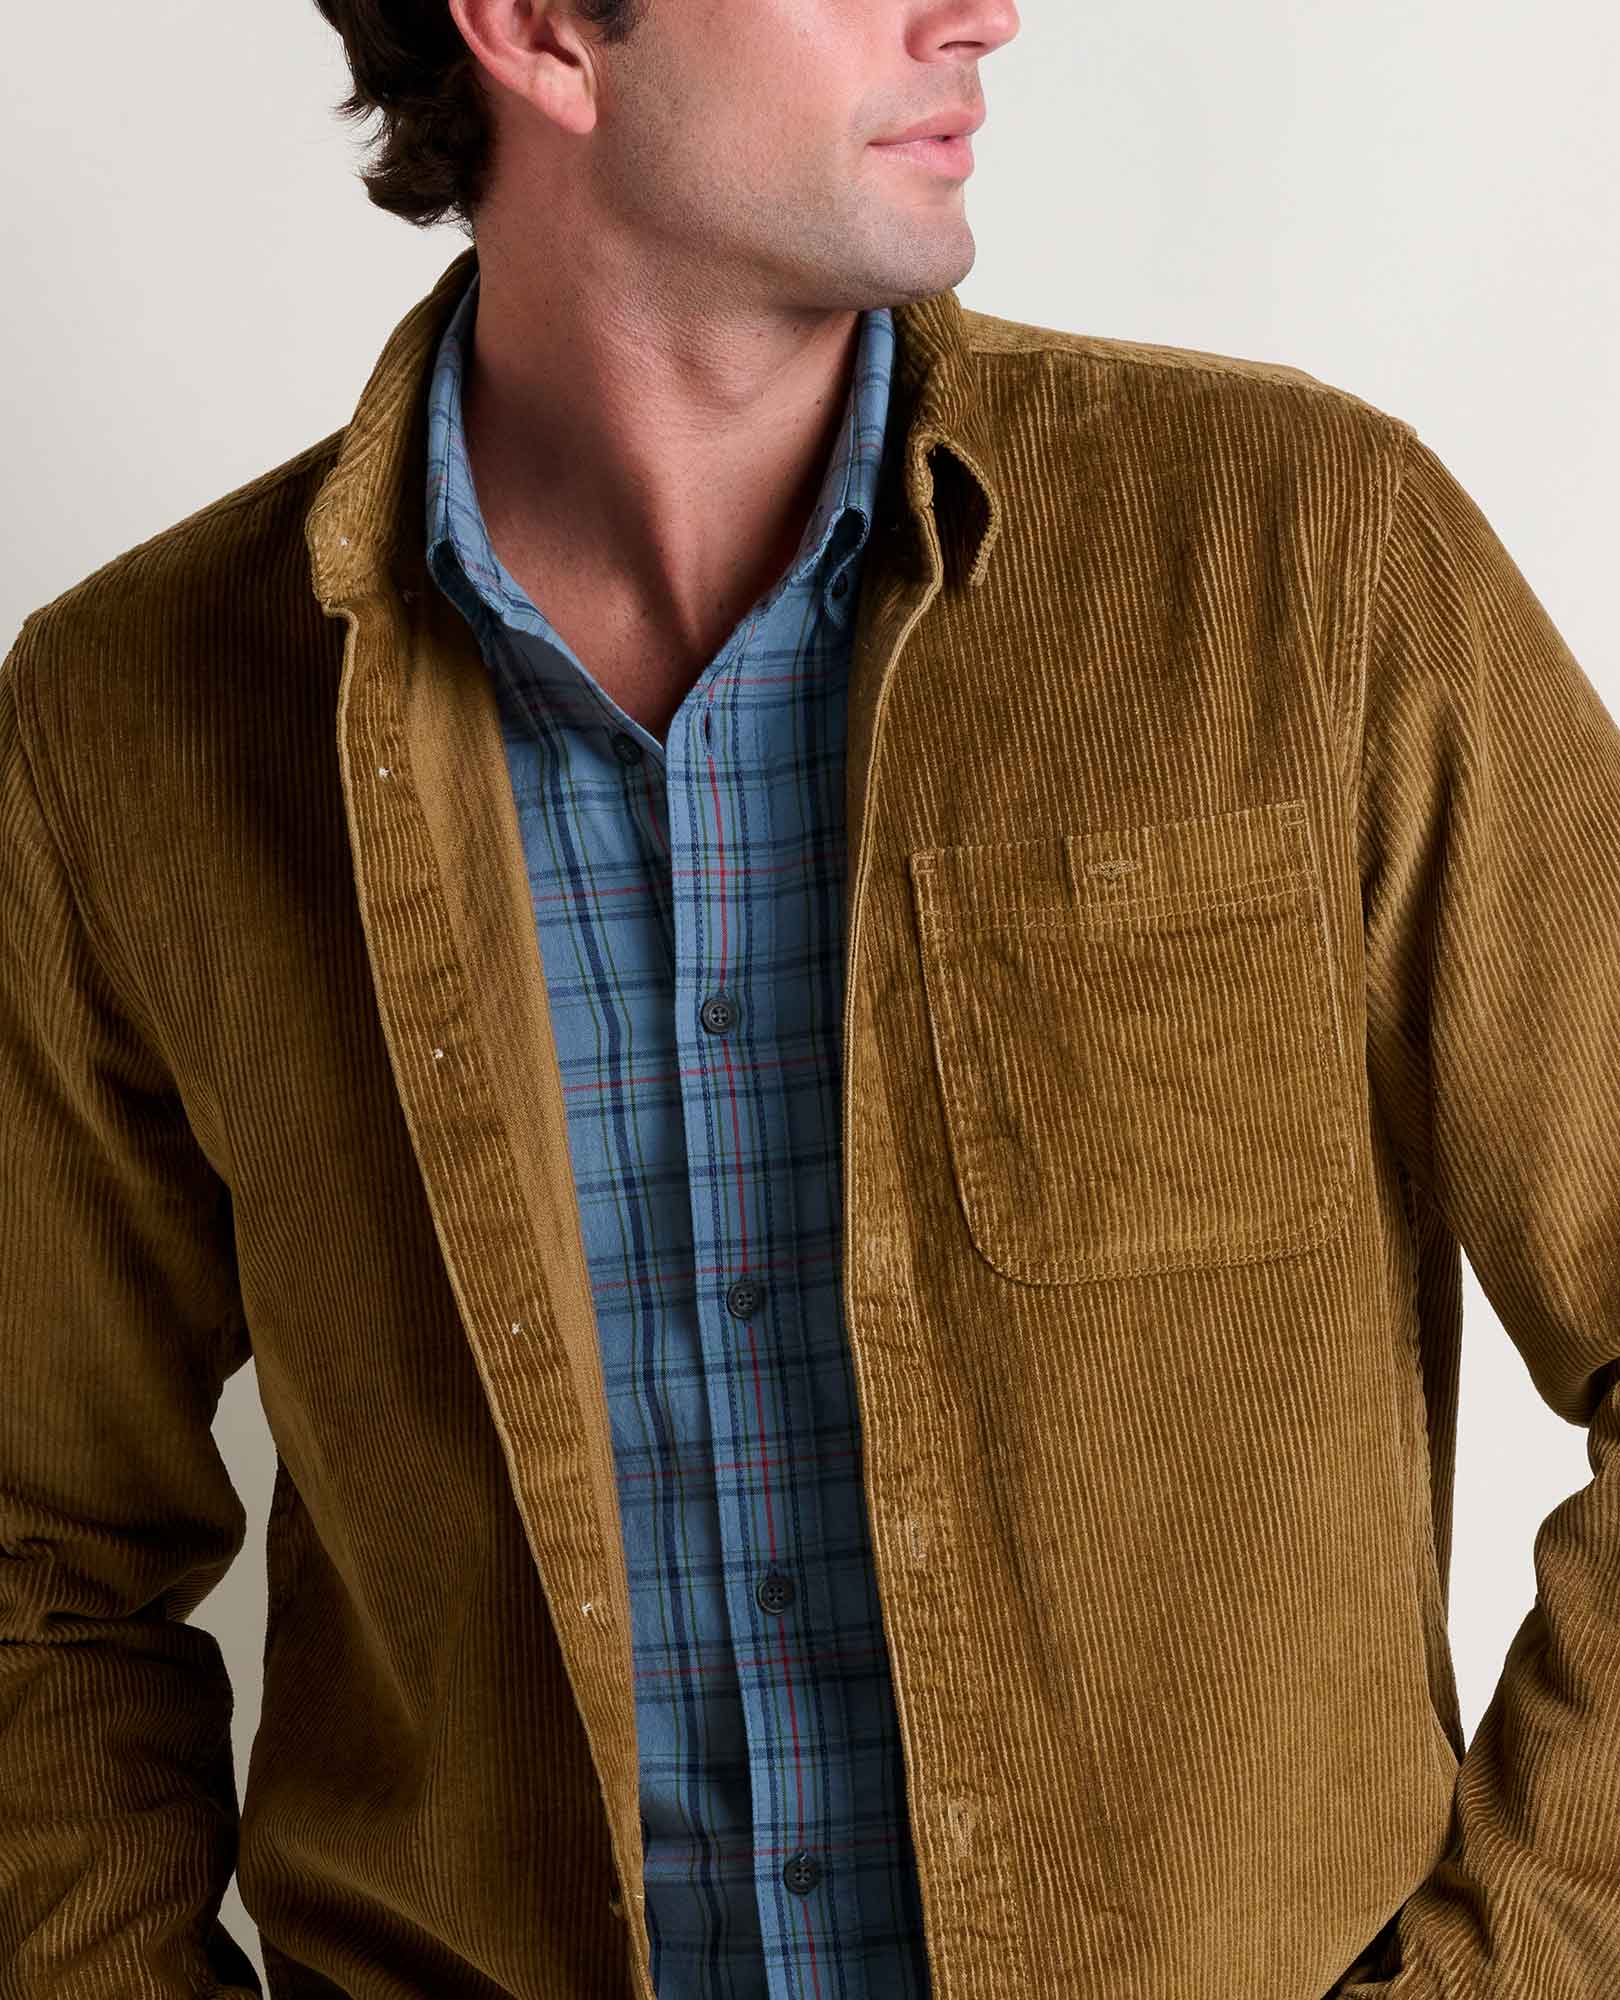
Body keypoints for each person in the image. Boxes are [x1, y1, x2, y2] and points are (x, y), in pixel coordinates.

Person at [3, 1, 1617, 1995]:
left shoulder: (1305, 562)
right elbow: (39, 1557)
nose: (983, 11)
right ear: (539, 30)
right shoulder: (128, 724)